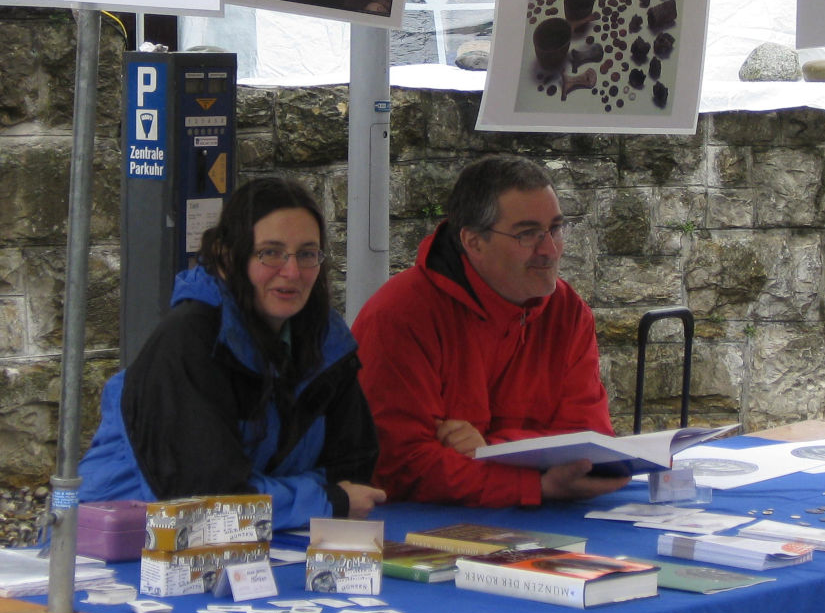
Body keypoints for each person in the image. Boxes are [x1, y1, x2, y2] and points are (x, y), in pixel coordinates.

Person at [79, 177, 384, 529]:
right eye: (270, 252)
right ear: (227, 256)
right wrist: (324, 500)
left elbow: (356, 470)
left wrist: (293, 499)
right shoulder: (188, 341)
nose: (292, 271)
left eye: (306, 254)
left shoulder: (326, 341)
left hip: (268, 540)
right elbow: (205, 500)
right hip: (124, 546)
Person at [354, 156, 628, 508]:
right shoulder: (400, 315)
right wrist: (533, 484)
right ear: (473, 242)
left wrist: (490, 449)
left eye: (555, 228)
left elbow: (589, 442)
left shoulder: (568, 312)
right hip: (418, 529)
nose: (550, 249)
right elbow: (401, 464)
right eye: (528, 234)